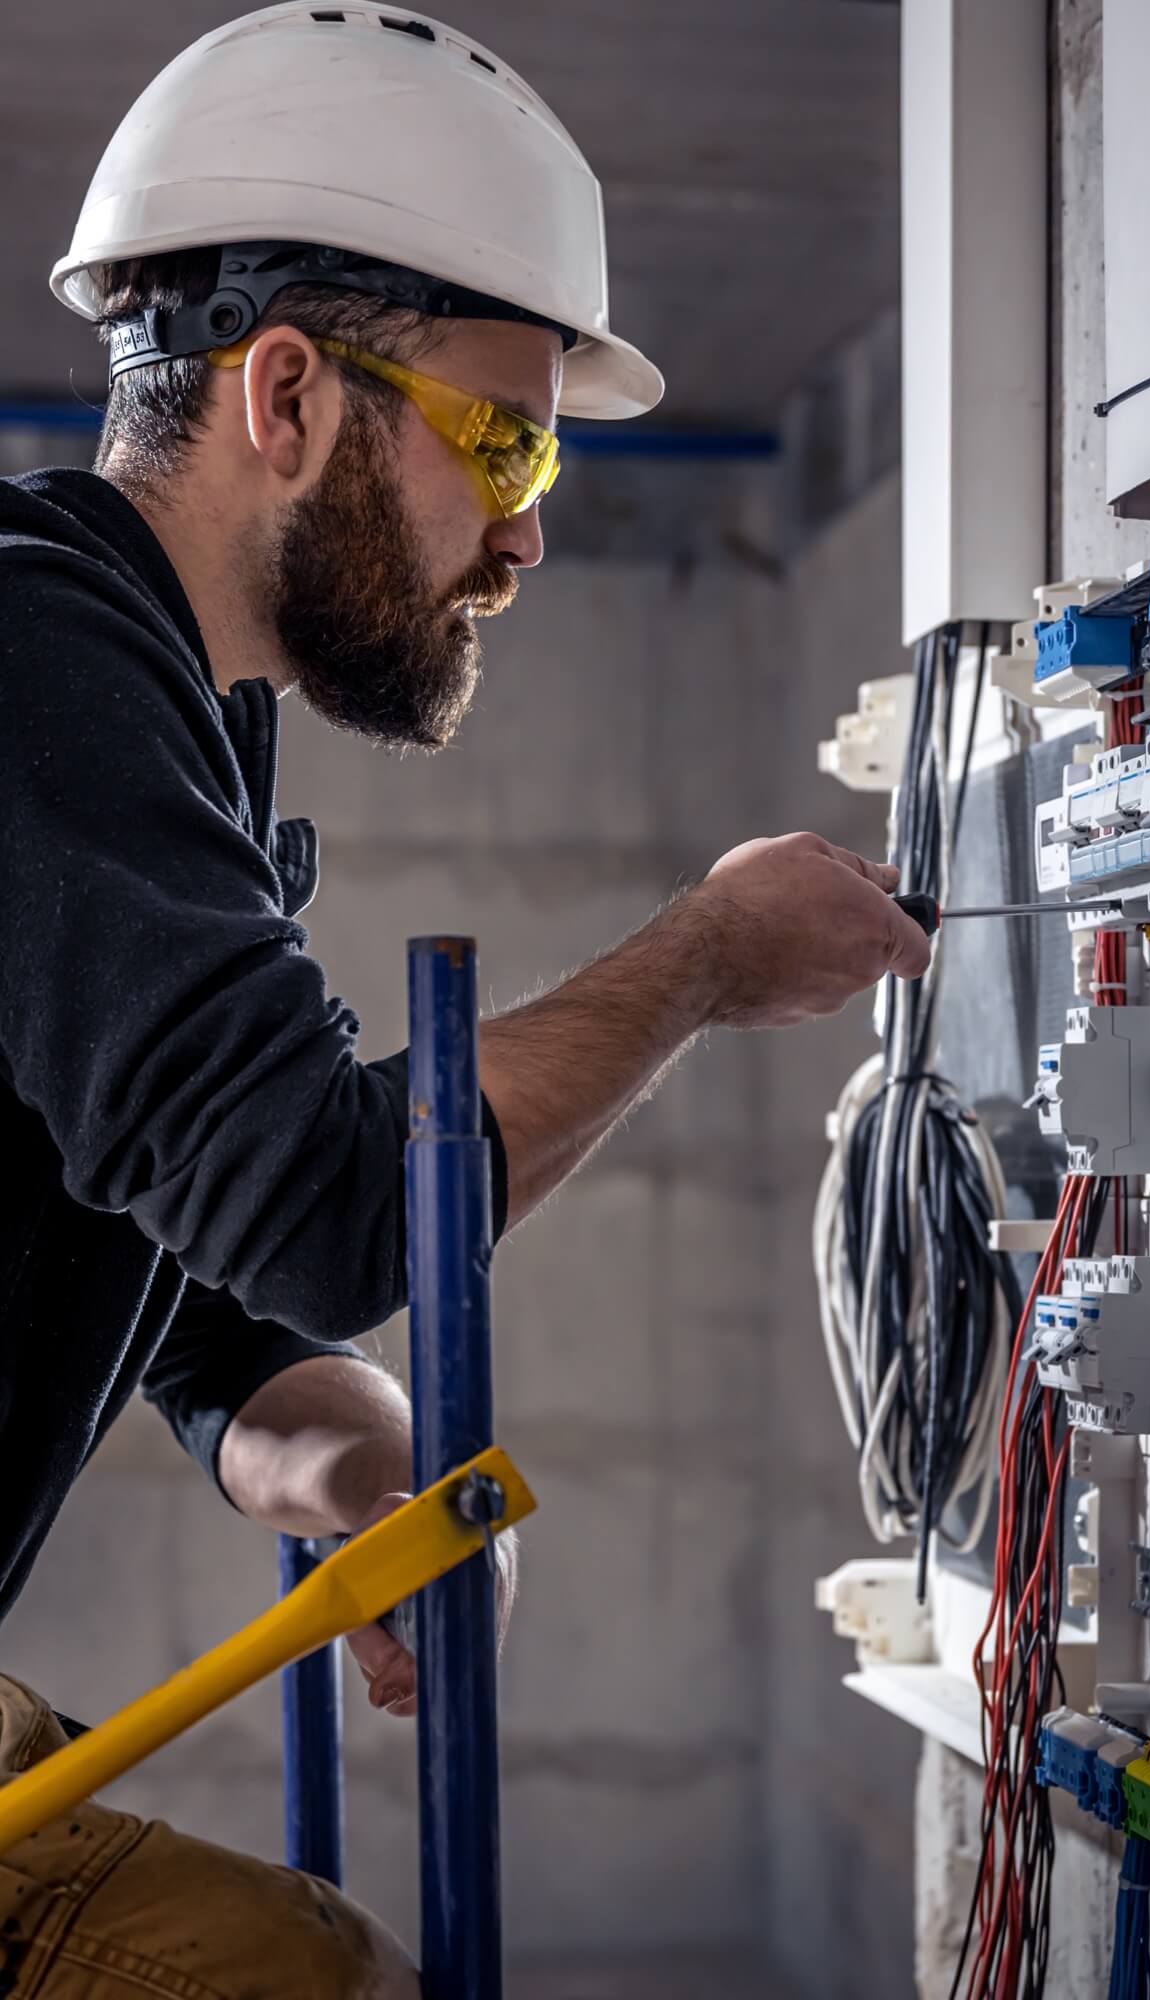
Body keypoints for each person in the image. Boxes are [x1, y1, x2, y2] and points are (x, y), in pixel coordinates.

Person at [0, 6, 930, 1992]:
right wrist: (701, 959)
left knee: (306, 1963)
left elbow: (210, 1307)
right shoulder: (32, 665)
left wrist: (360, 1461)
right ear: (283, 395)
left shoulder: (165, 725)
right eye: (502, 438)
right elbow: (334, 1200)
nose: (518, 532)